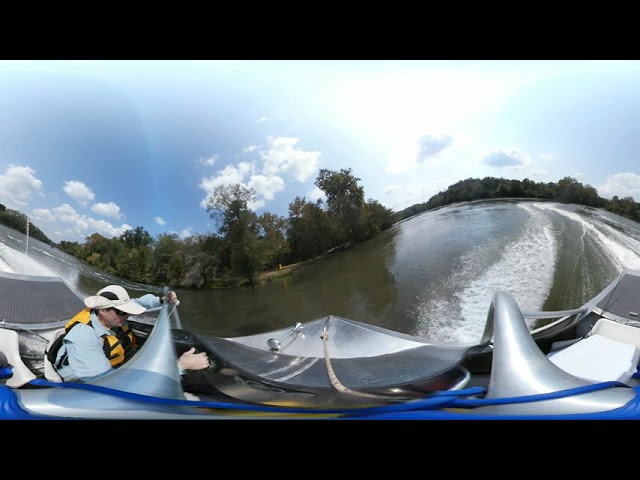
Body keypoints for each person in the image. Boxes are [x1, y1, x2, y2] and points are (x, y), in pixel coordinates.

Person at [52, 285, 209, 382]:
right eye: (122, 312)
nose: (127, 315)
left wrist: (162, 300)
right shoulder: (84, 336)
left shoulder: (111, 316)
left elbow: (139, 302)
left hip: (114, 369)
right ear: (103, 311)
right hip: (87, 384)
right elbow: (108, 385)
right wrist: (179, 367)